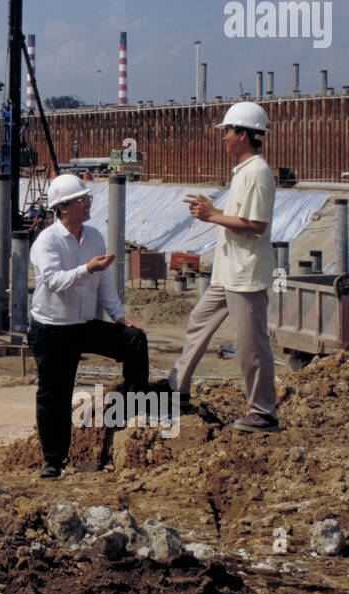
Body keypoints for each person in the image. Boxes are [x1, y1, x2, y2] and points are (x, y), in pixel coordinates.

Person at [155, 102, 280, 431]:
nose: (223, 137)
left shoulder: (257, 172)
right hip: (229, 272)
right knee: (199, 320)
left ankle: (263, 412)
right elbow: (241, 217)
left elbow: (255, 224)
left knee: (250, 343)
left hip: (246, 275)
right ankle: (176, 388)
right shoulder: (244, 172)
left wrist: (211, 215)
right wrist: (213, 213)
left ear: (242, 134)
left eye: (226, 131)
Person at [27, 174, 148, 478]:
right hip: (52, 330)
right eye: (83, 199)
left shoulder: (93, 236)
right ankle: (53, 460)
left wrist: (120, 315)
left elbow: (104, 282)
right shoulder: (47, 242)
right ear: (64, 207)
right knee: (55, 394)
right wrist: (86, 268)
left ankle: (129, 418)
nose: (88, 203)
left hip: (81, 325)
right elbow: (54, 282)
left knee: (134, 340)